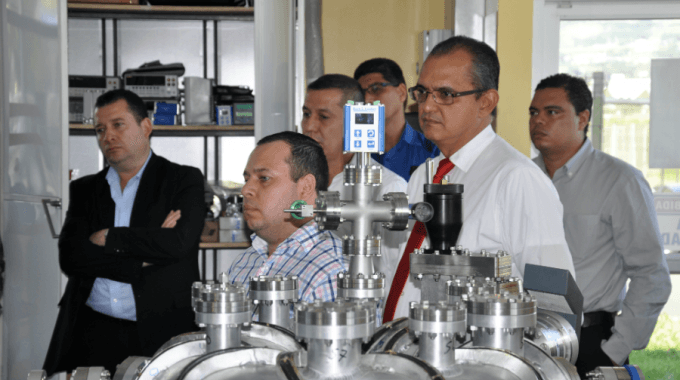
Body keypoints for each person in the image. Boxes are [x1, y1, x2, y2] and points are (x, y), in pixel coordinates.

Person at [383, 36, 576, 322]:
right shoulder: (425, 174)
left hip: (475, 361)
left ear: (485, 102)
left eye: (446, 95)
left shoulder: (516, 178)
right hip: (410, 354)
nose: (426, 107)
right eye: (423, 92)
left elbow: (555, 302)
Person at [44, 90, 206, 375]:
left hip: (161, 330)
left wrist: (109, 237)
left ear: (145, 126)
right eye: (100, 129)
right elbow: (72, 257)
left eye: (118, 124)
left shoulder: (183, 179)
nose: (108, 136)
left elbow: (178, 243)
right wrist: (144, 256)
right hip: (92, 330)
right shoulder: (84, 189)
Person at [529, 73, 672, 376]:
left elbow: (651, 275)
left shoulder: (620, 181)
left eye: (552, 112)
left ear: (583, 118)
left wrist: (614, 350)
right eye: (534, 112)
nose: (539, 120)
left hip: (591, 340)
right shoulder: (522, 179)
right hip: (526, 338)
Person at [300, 74, 407, 293]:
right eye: (306, 114)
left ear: (353, 123)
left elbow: (392, 272)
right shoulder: (296, 182)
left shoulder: (386, 188)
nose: (310, 126)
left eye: (324, 117)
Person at [228, 132, 347, 303]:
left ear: (305, 187)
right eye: (247, 179)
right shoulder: (246, 260)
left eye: (264, 178)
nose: (246, 190)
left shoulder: (332, 273)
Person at [354, 58, 439, 181]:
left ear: (401, 93)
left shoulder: (433, 153)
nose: (367, 99)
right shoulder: (354, 154)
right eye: (361, 93)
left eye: (376, 88)